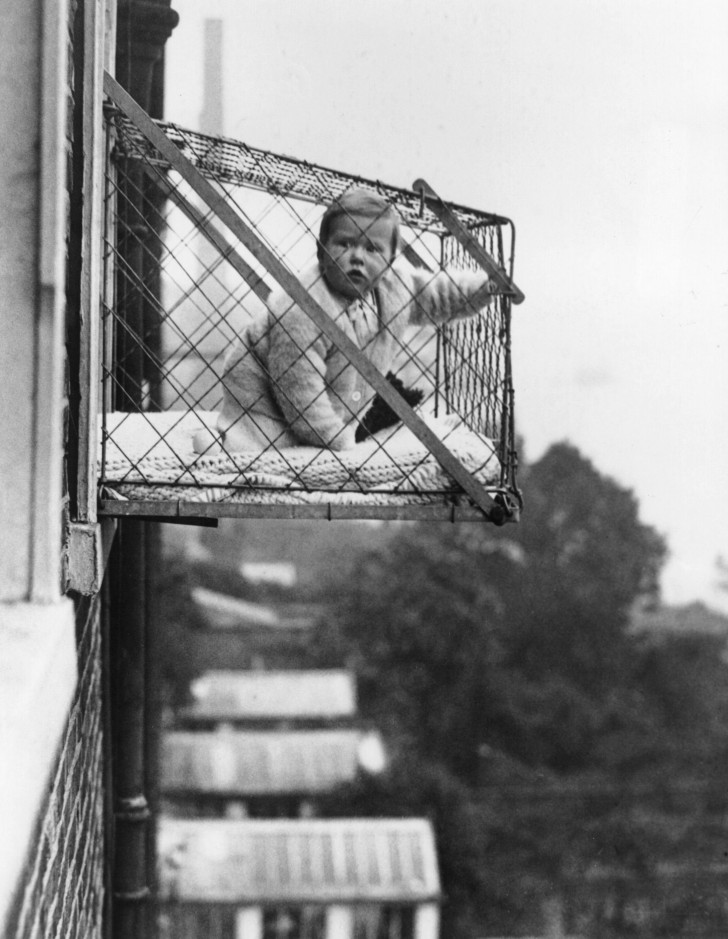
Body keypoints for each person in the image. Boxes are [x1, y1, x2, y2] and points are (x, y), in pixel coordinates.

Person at [194, 188, 495, 455]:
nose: (358, 257)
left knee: (384, 411)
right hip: (264, 402)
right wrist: (337, 442)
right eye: (344, 244)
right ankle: (225, 440)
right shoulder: (302, 310)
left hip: (339, 395)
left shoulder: (394, 289)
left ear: (390, 262)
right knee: (262, 445)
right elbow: (300, 391)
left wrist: (483, 289)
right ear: (321, 252)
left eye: (372, 249)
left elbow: (438, 296)